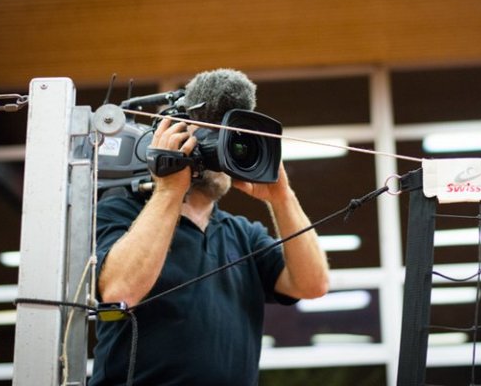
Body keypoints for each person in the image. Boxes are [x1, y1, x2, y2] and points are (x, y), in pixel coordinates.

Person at [89, 69, 330, 385]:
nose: (225, 151)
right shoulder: (120, 211)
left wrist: (282, 197)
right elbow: (119, 291)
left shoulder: (242, 233)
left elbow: (312, 285)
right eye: (213, 135)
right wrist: (169, 187)